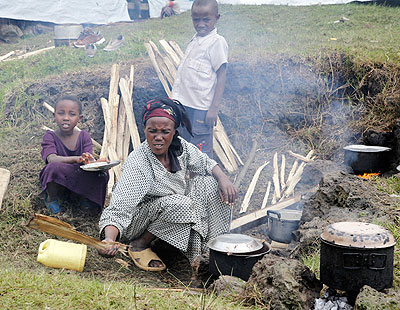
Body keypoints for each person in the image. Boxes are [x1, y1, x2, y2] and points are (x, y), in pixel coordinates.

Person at [98, 98, 237, 271]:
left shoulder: (180, 148)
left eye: (165, 131)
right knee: (182, 204)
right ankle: (140, 245)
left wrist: (223, 178)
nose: (158, 137)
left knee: (210, 184)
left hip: (173, 210)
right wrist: (110, 239)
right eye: (152, 131)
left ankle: (213, 250)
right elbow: (119, 209)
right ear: (145, 131)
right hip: (138, 222)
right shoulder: (139, 162)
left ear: (173, 132)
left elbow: (206, 163)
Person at [171, 0, 227, 158]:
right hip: (184, 106)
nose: (201, 24)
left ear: (217, 18)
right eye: (196, 19)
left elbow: (221, 75)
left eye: (206, 19)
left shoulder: (217, 42)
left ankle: (202, 181)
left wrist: (214, 108)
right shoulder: (195, 40)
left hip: (201, 110)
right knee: (183, 144)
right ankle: (185, 178)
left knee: (200, 149)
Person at [39, 95, 109, 214]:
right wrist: (76, 159)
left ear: (79, 118)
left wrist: (97, 162)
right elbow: (51, 159)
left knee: (102, 173)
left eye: (72, 114)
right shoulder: (50, 136)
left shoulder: (84, 136)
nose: (66, 118)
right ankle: (52, 198)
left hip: (77, 175)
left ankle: (84, 198)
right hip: (59, 178)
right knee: (53, 168)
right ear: (54, 116)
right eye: (61, 113)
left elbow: (88, 161)